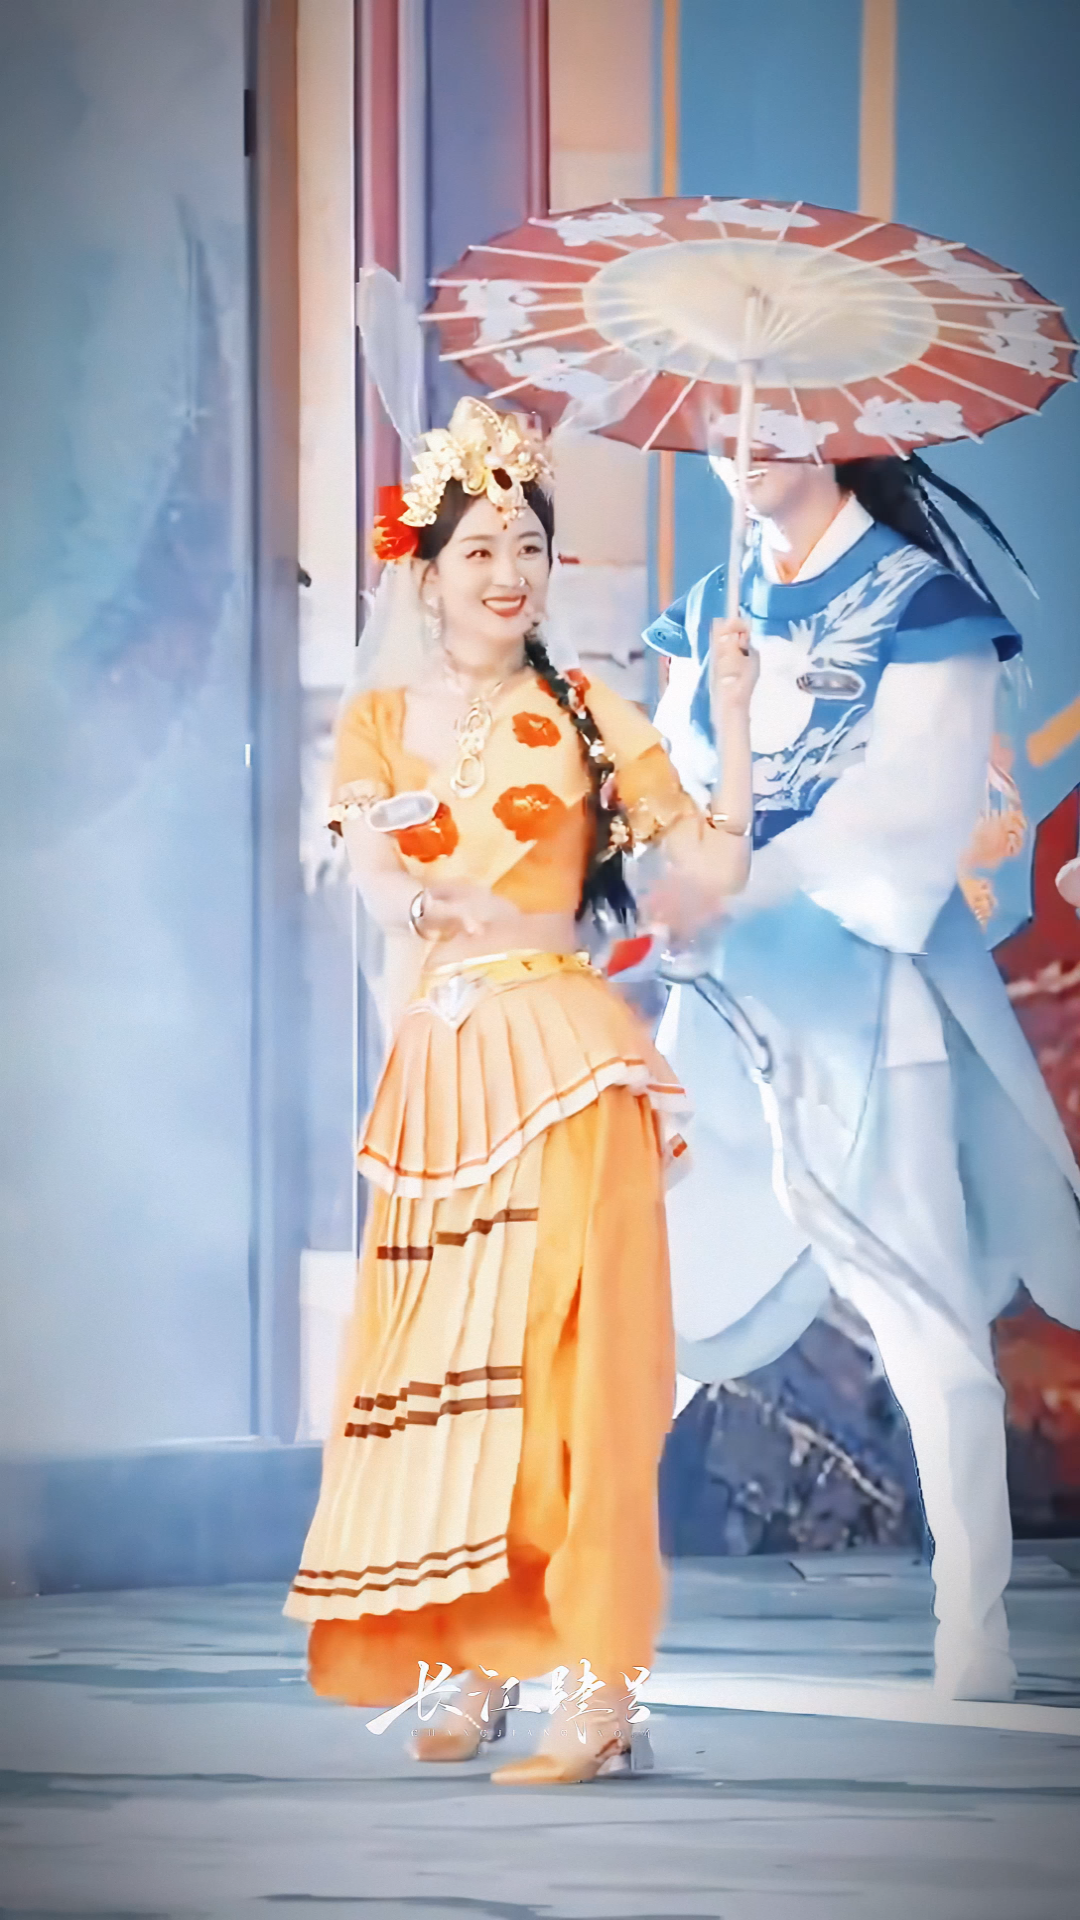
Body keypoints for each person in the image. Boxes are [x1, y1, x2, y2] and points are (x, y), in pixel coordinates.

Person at [285, 398, 757, 1783]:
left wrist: (734, 717)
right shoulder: (379, 723)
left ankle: (602, 1688)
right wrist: (410, 892)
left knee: (576, 1374)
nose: (509, 573)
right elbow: (370, 871)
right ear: (426, 572)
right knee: (454, 1373)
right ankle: (480, 1659)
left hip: (564, 1062)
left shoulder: (594, 713)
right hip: (440, 1076)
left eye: (530, 548)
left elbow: (713, 867)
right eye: (481, 549)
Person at [646, 451, 1080, 1703]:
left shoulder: (922, 609)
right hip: (725, 1008)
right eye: (733, 429)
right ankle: (569, 1617)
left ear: (843, 428)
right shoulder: (707, 611)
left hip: (870, 1006)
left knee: (927, 1320)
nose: (747, 450)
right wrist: (691, 817)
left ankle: (973, 1630)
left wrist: (744, 873)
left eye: (780, 422)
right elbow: (667, 797)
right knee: (650, 1313)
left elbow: (908, 829)